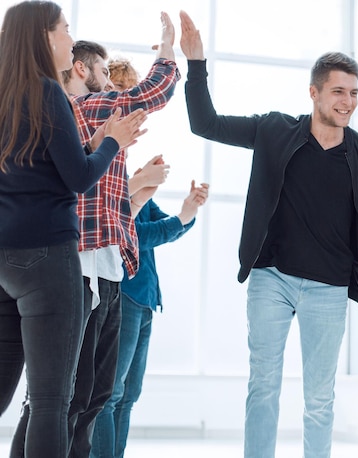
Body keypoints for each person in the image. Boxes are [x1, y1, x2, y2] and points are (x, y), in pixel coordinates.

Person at [180, 11, 358, 458]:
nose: (347, 101)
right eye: (338, 91)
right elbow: (205, 124)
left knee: (319, 399)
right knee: (263, 384)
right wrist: (197, 64)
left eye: (354, 93)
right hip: (272, 279)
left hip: (329, 287)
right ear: (314, 92)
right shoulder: (273, 129)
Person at [9, 15, 181, 458]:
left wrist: (111, 157)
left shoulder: (20, 99)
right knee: (57, 399)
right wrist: (170, 50)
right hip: (62, 262)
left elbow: (69, 177)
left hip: (75, 262)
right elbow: (149, 95)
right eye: (105, 75)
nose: (112, 88)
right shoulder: (73, 102)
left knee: (81, 395)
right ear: (82, 70)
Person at [89, 57, 210, 458]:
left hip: (142, 300)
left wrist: (187, 210)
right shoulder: (106, 178)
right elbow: (136, 233)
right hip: (120, 294)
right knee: (110, 393)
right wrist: (142, 187)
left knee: (127, 394)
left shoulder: (129, 176)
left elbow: (159, 227)